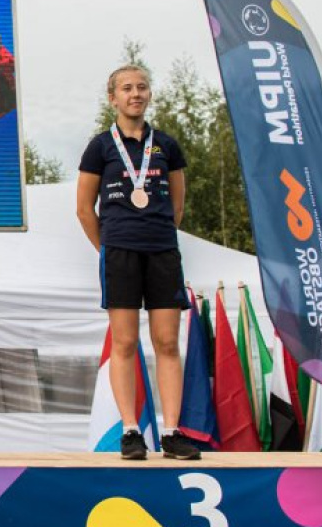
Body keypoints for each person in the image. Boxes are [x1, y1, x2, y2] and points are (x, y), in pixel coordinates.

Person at [76, 65, 200, 461]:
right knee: (125, 342)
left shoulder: (167, 145)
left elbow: (177, 205)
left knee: (166, 342)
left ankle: (172, 432)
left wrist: (157, 234)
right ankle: (131, 431)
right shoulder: (100, 146)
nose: (136, 94)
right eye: (127, 88)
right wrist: (108, 247)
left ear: (149, 94)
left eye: (142, 87)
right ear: (113, 98)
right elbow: (83, 209)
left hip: (162, 251)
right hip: (119, 253)